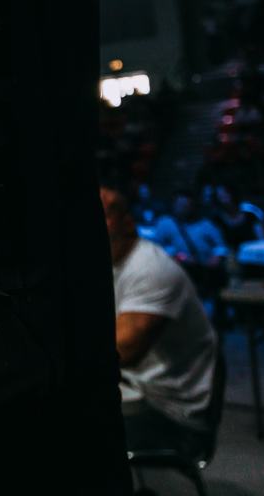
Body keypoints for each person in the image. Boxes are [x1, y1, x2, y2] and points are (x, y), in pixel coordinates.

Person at [101, 186, 218, 458]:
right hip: (137, 389)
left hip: (168, 411)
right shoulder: (108, 265)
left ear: (127, 222)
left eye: (101, 215)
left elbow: (121, 353)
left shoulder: (150, 269)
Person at [151, 190, 227, 266]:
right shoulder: (165, 223)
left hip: (206, 267)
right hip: (177, 267)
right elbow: (157, 247)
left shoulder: (205, 224)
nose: (182, 208)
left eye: (186, 206)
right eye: (179, 205)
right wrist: (177, 256)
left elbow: (221, 246)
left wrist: (216, 258)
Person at [212, 183, 264, 251]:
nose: (223, 196)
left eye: (225, 192)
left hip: (253, 252)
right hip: (231, 255)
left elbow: (262, 240)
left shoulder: (250, 212)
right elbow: (220, 245)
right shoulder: (217, 219)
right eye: (219, 195)